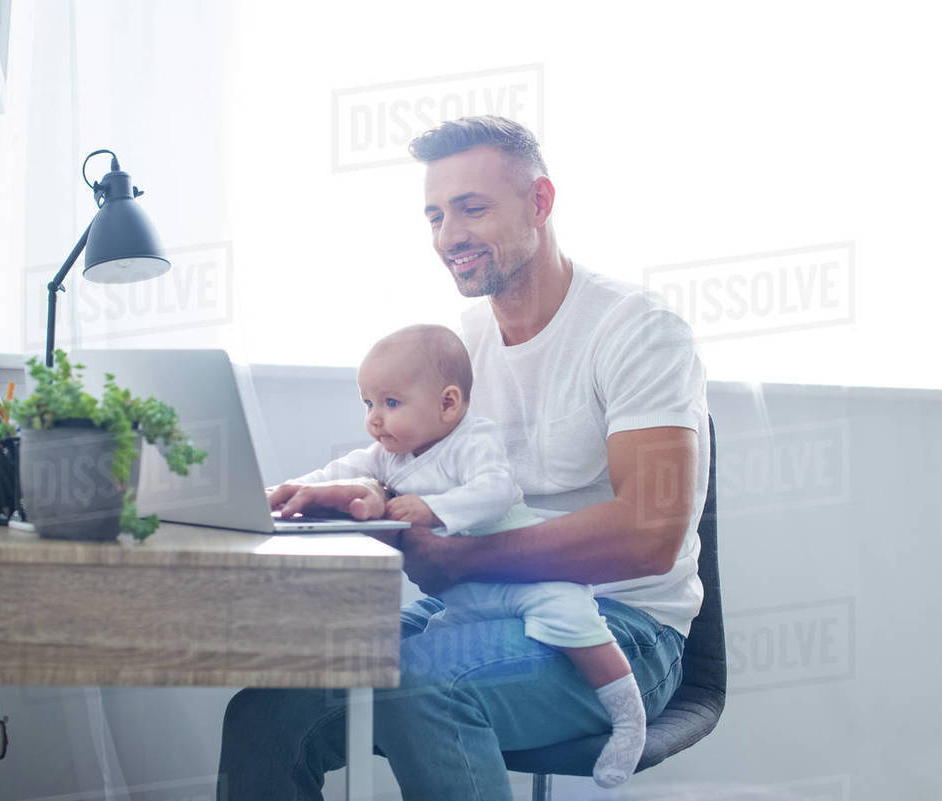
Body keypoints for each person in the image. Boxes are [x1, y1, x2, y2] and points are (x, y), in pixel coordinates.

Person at [218, 115, 709, 801]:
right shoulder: (463, 343)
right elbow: (404, 465)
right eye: (435, 215)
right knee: (268, 713)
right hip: (474, 608)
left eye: (472, 208)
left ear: (539, 203)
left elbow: (652, 534)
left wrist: (466, 558)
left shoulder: (637, 331)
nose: (449, 236)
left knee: (421, 690)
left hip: (620, 629)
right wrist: (337, 490)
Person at [269, 323, 649, 787]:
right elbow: (336, 473)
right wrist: (286, 491)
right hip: (467, 597)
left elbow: (497, 490)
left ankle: (628, 716)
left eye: (391, 403)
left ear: (448, 403)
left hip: (530, 577)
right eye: (368, 403)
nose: (375, 418)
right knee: (419, 643)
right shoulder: (389, 454)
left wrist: (433, 509)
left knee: (576, 626)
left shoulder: (473, 439)